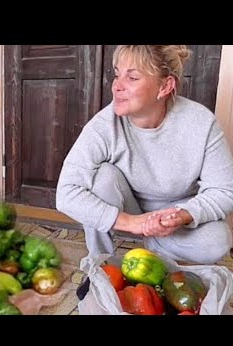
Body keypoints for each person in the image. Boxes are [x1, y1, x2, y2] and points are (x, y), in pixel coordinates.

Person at [56, 45, 233, 265]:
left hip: (176, 211)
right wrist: (133, 222)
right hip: (131, 207)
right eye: (117, 75)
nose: (117, 86)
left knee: (217, 241)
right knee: (101, 178)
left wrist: (183, 215)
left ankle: (156, 243)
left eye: (132, 78)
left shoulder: (201, 123)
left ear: (165, 86)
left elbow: (224, 190)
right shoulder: (103, 125)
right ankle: (100, 262)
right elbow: (66, 194)